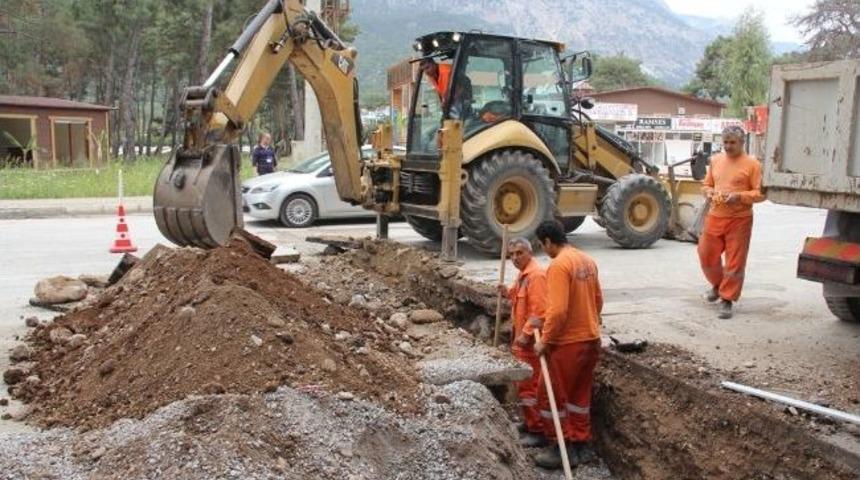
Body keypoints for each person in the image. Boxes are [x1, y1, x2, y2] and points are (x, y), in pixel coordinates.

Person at [532, 220, 603, 470]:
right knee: (578, 397)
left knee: (548, 395)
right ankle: (582, 445)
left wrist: (546, 340)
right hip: (591, 340)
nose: (544, 250)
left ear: (548, 241)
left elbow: (559, 311)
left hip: (568, 344)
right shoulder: (586, 260)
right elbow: (597, 300)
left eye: (543, 246)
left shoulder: (559, 265)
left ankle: (560, 447)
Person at [698, 125, 764, 319]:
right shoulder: (716, 160)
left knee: (735, 262)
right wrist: (709, 193)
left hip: (739, 220)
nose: (728, 146)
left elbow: (760, 194)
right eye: (725, 142)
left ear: (742, 143)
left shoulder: (752, 165)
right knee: (706, 254)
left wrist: (739, 197)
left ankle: (727, 299)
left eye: (732, 142)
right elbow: (706, 185)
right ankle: (718, 286)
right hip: (715, 216)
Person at [496, 238, 548, 448]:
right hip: (521, 342)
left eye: (519, 253)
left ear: (529, 252)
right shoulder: (523, 275)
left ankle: (538, 430)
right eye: (511, 255)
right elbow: (520, 299)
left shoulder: (536, 276)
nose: (515, 258)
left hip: (530, 343)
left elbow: (540, 312)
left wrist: (526, 335)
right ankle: (528, 422)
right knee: (523, 386)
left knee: (530, 387)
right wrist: (506, 292)